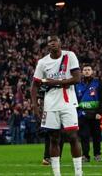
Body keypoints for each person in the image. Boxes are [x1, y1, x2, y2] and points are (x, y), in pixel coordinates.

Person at [31, 35, 83, 176]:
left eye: (54, 41)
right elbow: (35, 85)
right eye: (49, 42)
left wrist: (53, 82)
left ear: (60, 43)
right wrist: (35, 106)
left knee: (72, 136)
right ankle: (57, 174)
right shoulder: (43, 62)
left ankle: (79, 173)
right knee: (54, 138)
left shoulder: (69, 55)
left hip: (67, 102)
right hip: (50, 104)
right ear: (47, 45)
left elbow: (77, 78)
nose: (52, 43)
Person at [75, 63, 102, 162]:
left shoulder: (97, 83)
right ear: (82, 72)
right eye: (85, 70)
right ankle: (85, 155)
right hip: (82, 115)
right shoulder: (77, 84)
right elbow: (74, 100)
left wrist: (99, 113)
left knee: (97, 136)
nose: (87, 71)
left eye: (88, 69)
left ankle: (97, 154)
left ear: (92, 72)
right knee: (84, 136)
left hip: (95, 114)